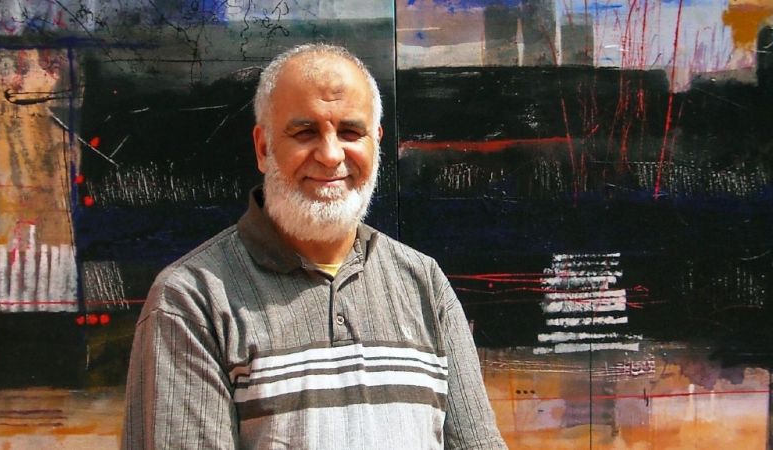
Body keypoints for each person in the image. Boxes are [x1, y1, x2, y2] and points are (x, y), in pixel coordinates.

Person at [122, 43, 507, 450]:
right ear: (264, 148)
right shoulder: (192, 299)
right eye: (305, 132)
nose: (330, 155)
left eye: (350, 132)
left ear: (376, 143)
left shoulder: (424, 283)